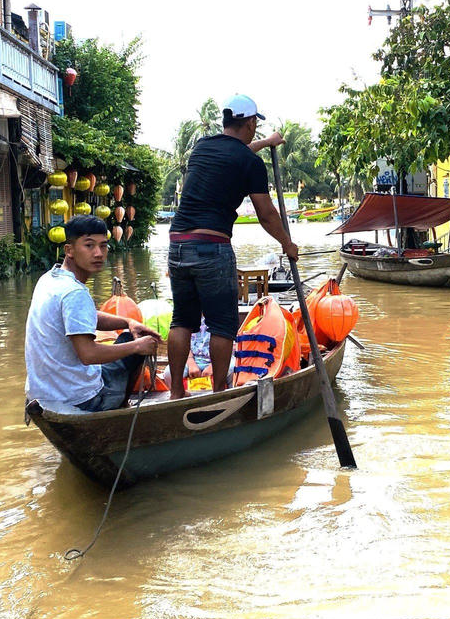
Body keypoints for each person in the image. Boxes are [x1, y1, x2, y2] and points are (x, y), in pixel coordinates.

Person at [167, 93, 299, 399]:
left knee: (182, 320)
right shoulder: (249, 164)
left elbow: (238, 152)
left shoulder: (202, 147)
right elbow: (266, 214)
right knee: (223, 325)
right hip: (211, 246)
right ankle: (219, 392)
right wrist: (287, 244)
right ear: (251, 123)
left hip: (177, 244)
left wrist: (266, 144)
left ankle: (176, 393)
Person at [25, 215, 160, 413]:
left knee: (129, 334)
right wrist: (138, 346)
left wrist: (128, 321)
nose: (98, 253)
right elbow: (88, 354)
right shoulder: (75, 292)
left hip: (44, 393)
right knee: (134, 342)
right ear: (69, 250)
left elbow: (84, 316)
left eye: (103, 246)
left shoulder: (49, 279)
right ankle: (119, 407)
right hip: (81, 399)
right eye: (89, 246)